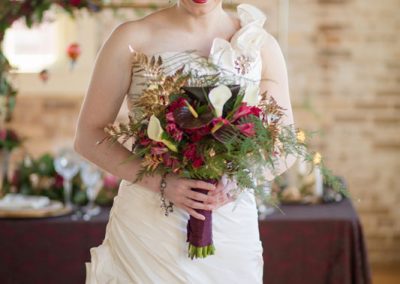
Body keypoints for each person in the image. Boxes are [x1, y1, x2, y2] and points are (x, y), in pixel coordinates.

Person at [74, 1, 296, 283]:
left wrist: (237, 183)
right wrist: (162, 182)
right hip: (149, 232)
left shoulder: (260, 45)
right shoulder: (132, 38)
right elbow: (88, 136)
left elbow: (286, 148)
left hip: (229, 229)